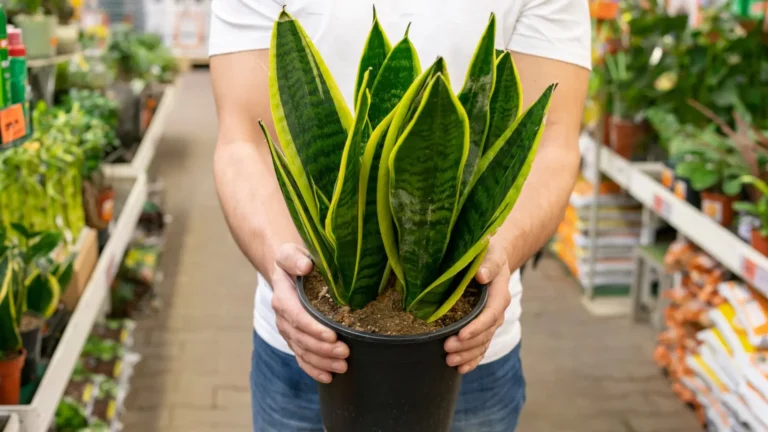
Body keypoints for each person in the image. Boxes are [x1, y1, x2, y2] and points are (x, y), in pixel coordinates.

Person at [209, 1, 589, 431]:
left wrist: (496, 254)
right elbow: (243, 140)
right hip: (305, 342)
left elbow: (552, 140)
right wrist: (282, 264)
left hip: (470, 350)